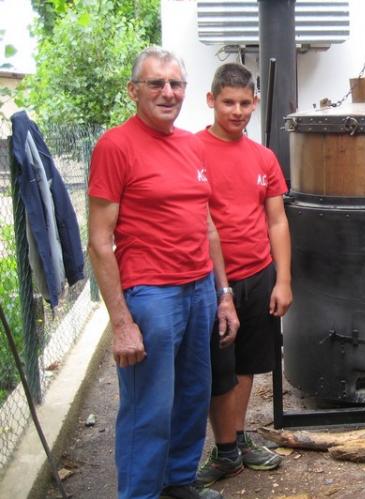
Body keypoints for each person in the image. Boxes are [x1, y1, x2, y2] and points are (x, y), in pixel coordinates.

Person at [88, 46, 239, 499]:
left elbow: (207, 225)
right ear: (134, 90)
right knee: (148, 407)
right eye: (156, 83)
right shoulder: (115, 146)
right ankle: (139, 493)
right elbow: (99, 240)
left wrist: (224, 293)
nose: (168, 92)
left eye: (175, 84)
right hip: (152, 295)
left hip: (199, 291)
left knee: (193, 394)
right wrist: (121, 322)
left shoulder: (190, 144)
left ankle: (177, 481)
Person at [194, 63, 292, 487]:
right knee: (220, 367)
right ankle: (226, 445)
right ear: (211, 100)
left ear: (254, 103)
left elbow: (277, 221)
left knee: (248, 363)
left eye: (245, 103)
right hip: (214, 282)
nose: (237, 111)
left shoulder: (263, 157)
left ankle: (232, 445)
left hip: (259, 274)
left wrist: (283, 279)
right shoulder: (190, 150)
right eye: (228, 102)